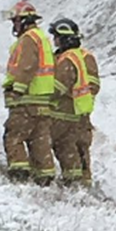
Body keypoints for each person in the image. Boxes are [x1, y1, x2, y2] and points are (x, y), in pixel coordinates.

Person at [2, 1, 56, 183]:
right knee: (39, 140)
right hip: (42, 101)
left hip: (26, 101)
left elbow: (26, 66)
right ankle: (45, 176)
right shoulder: (41, 38)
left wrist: (17, 90)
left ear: (23, 21)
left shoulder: (28, 39)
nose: (14, 26)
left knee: (14, 136)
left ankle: (19, 176)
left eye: (15, 21)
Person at [47, 18, 100, 186]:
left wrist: (43, 96)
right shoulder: (87, 56)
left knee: (65, 146)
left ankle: (72, 184)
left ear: (64, 38)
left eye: (56, 36)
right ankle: (84, 183)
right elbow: (94, 85)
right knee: (81, 149)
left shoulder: (67, 59)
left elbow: (58, 87)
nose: (54, 41)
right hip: (83, 112)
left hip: (64, 113)